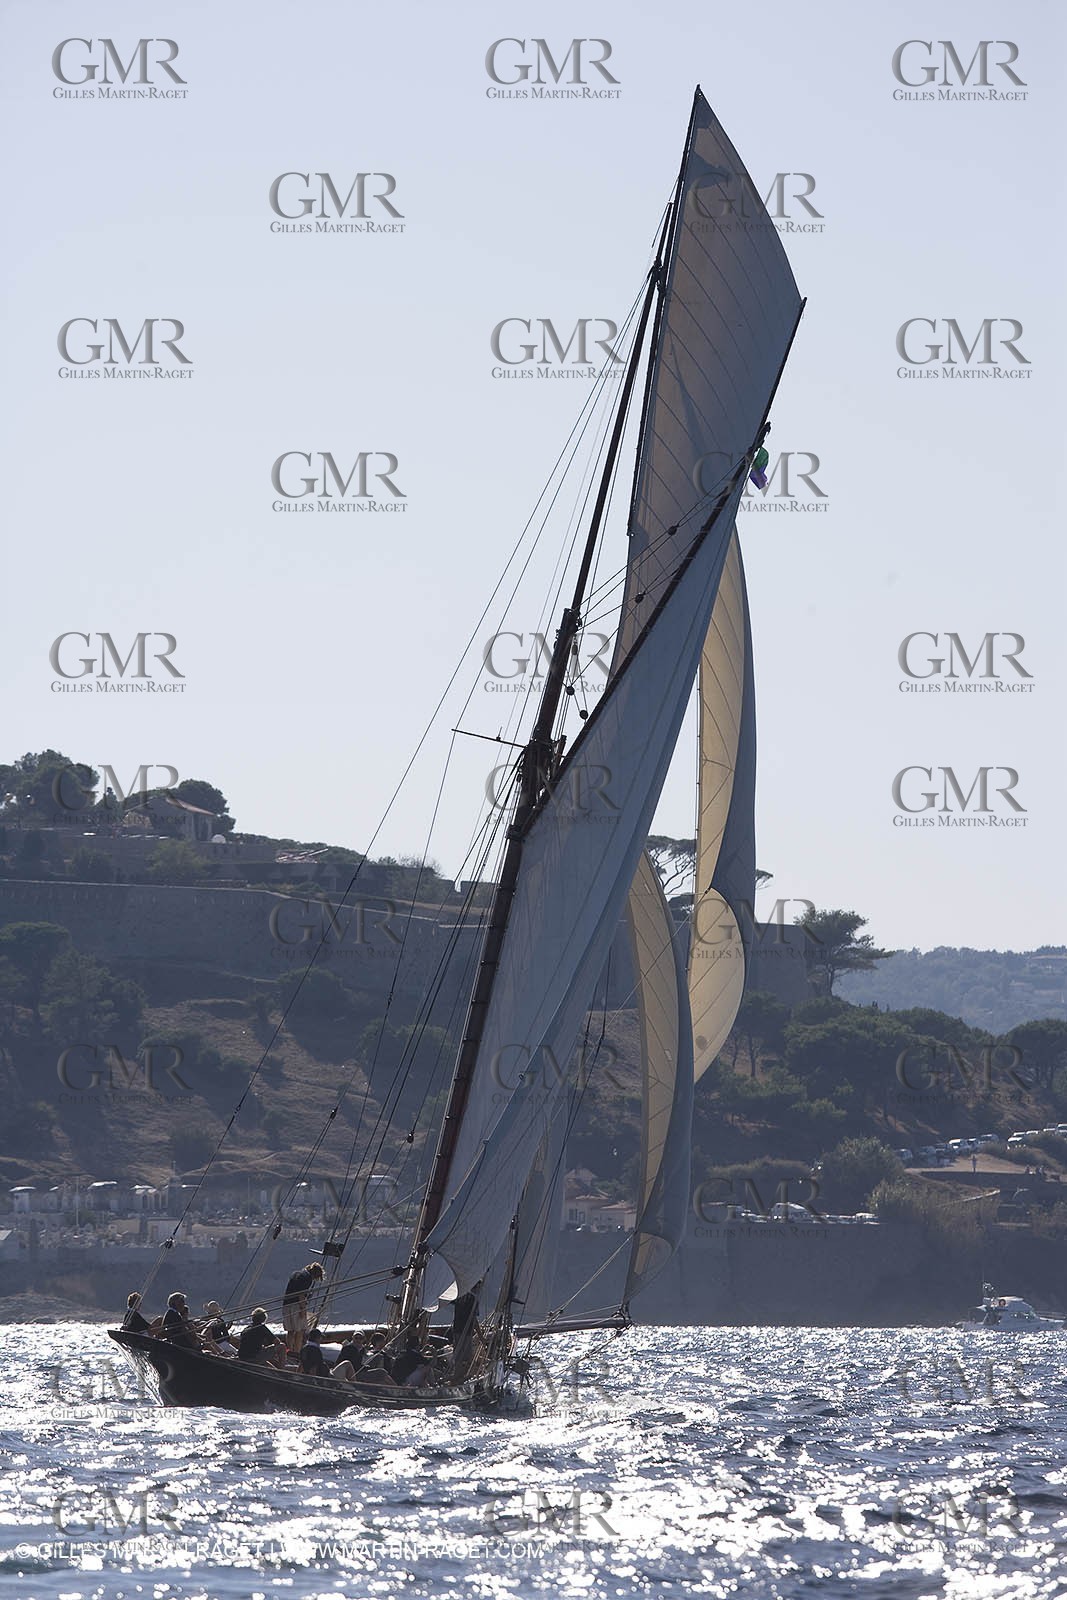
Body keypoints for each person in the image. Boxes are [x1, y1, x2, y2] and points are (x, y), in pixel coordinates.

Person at [282, 1262, 325, 1354]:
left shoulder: (296, 1273)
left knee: (290, 1331)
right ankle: (297, 1352)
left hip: (286, 1304)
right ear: (315, 1274)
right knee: (300, 1331)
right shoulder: (307, 1278)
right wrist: (303, 1309)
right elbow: (301, 1295)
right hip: (296, 1306)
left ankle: (289, 1351)